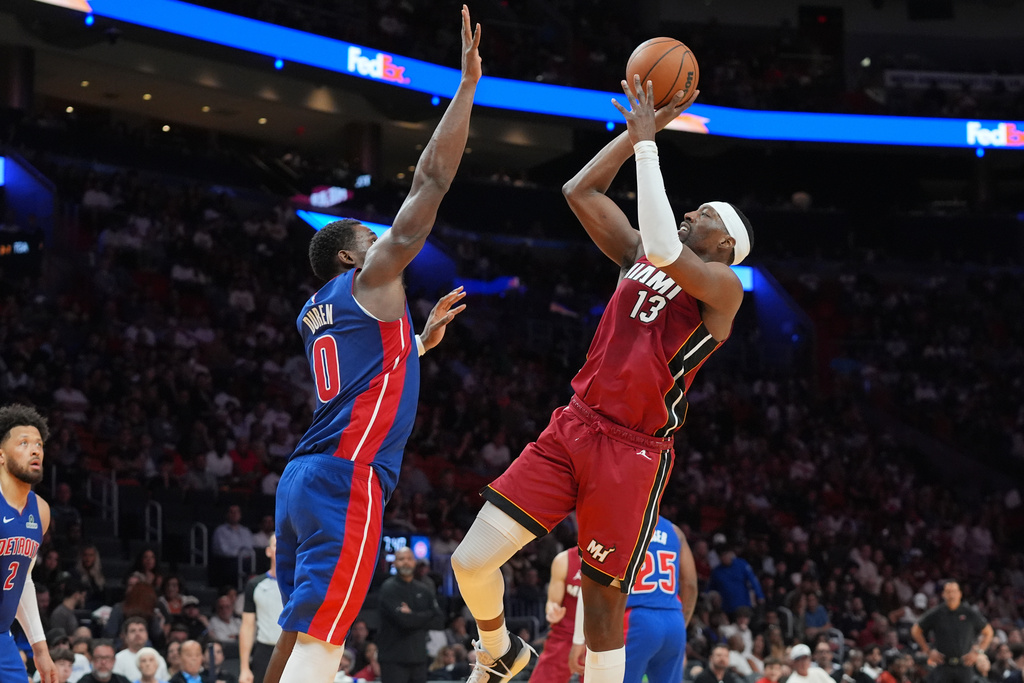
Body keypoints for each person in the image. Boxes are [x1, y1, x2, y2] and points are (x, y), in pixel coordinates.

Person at [451, 72, 750, 683]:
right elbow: (579, 189)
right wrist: (641, 132)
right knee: (470, 560)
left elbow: (670, 250)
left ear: (724, 245)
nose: (693, 210)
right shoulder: (639, 249)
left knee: (604, 605)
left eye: (707, 214)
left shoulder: (724, 290)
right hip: (574, 426)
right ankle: (502, 651)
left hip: (633, 451)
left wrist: (648, 146)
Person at [265, 8, 480, 683]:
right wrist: (468, 87)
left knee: (301, 624)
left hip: (301, 477)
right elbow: (430, 183)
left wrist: (416, 342)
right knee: (325, 640)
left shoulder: (314, 310)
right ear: (352, 256)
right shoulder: (372, 274)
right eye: (368, 234)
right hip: (345, 476)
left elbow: (363, 370)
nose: (379, 238)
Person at [571, 516, 699, 683]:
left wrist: (580, 639)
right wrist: (681, 624)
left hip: (636, 619)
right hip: (673, 620)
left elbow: (594, 584)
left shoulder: (617, 524)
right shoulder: (675, 531)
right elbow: (690, 585)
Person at [0, 404, 58, 683]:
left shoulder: (41, 512)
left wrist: (40, 648)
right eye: (23, 443)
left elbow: (22, 580)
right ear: (1, 454)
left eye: (38, 444)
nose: (35, 450)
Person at [376, 547, 446, 683]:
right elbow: (404, 622)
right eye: (401, 559)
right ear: (394, 563)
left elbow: (439, 621)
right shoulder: (388, 588)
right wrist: (425, 615)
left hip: (419, 658)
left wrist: (412, 614)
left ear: (414, 562)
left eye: (409, 559)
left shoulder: (424, 590)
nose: (406, 562)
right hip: (393, 659)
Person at [911, 580, 994, 683]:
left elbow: (988, 632)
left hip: (964, 665)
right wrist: (928, 651)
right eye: (948, 592)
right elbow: (915, 630)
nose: (951, 595)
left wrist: (978, 652)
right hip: (943, 665)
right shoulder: (937, 613)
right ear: (943, 594)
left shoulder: (969, 612)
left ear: (960, 593)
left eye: (954, 591)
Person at [529, 547, 583, 683]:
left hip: (600, 638)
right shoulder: (564, 560)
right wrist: (552, 612)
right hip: (565, 635)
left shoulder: (615, 560)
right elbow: (552, 602)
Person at [240, 535, 283, 683]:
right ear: (268, 551)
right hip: (264, 652)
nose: (281, 549)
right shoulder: (255, 585)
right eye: (277, 544)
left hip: (294, 651)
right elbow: (247, 626)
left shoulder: (300, 584)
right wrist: (244, 667)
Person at [113, 617, 170, 682]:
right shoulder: (118, 659)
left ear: (147, 634)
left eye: (141, 630)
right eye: (133, 631)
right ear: (125, 636)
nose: (137, 634)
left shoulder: (157, 658)